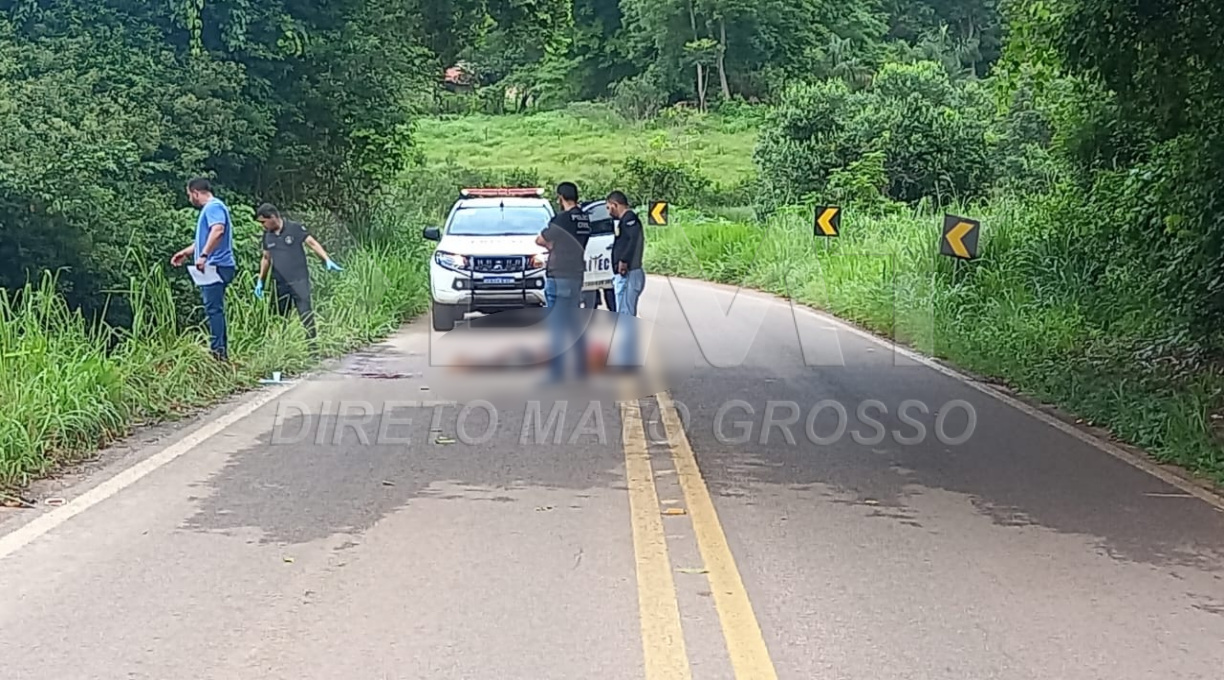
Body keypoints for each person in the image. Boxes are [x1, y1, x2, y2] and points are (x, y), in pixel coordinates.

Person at [254, 203, 343, 348]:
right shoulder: (267, 236)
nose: (263, 226)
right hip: (280, 283)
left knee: (305, 314)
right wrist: (260, 281)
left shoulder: (294, 228)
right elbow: (266, 258)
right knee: (279, 316)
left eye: (264, 222)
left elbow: (312, 243)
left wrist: (326, 259)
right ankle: (281, 347)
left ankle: (312, 348)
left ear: (273, 217)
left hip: (299, 280)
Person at [171, 178, 236, 361]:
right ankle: (220, 350)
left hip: (216, 266)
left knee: (213, 309)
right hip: (217, 264)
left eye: (189, 195)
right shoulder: (214, 208)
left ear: (195, 193)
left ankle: (218, 353)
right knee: (215, 308)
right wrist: (186, 252)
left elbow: (217, 231)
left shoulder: (213, 207)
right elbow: (205, 238)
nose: (189, 198)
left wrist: (204, 256)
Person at [536, 181, 591, 383]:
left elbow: (540, 239)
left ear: (560, 197)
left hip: (558, 275)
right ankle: (581, 368)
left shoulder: (562, 219)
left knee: (556, 325)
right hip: (577, 273)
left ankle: (556, 372)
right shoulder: (585, 219)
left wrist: (552, 244)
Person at [606, 190, 646, 367]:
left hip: (630, 273)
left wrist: (624, 261)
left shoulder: (630, 220)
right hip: (627, 273)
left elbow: (632, 241)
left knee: (626, 315)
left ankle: (628, 358)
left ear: (615, 204)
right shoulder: (624, 221)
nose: (608, 212)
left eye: (609, 207)